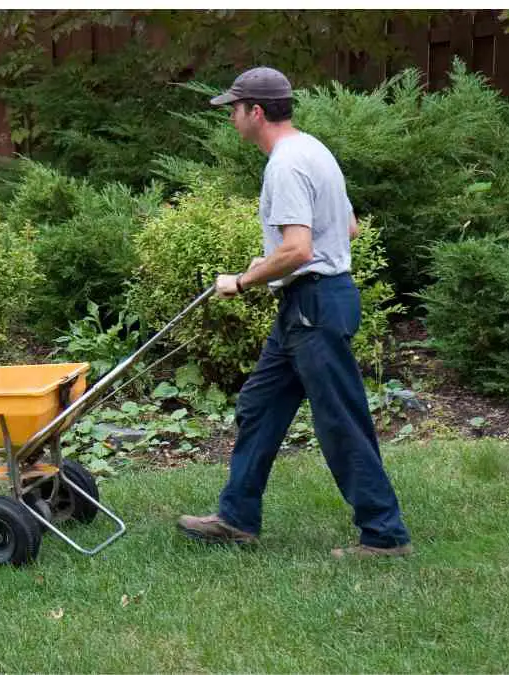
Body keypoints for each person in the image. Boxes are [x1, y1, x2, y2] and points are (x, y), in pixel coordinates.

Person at [176, 66, 413, 558]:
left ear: (256, 112)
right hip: (309, 303)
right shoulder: (314, 149)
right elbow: (345, 228)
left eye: (234, 110)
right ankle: (237, 518)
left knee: (340, 422)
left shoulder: (284, 164)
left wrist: (243, 280)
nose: (231, 119)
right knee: (259, 406)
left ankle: (384, 535)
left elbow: (300, 249)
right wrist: (275, 264)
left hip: (314, 306)